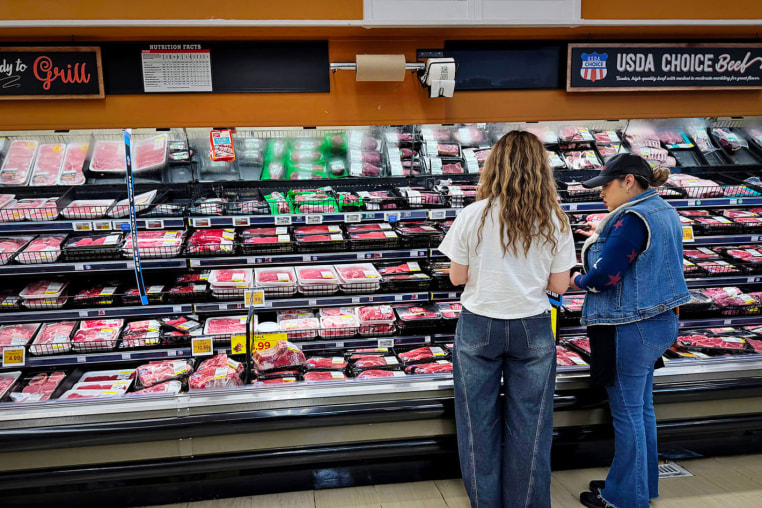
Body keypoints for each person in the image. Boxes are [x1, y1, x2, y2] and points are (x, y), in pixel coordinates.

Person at [438, 130, 576, 508]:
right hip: (532, 326)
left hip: (479, 324)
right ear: (541, 169)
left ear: (493, 167)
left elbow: (457, 278)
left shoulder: (472, 214)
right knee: (530, 426)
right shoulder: (555, 219)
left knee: (476, 425)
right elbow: (560, 285)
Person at [569, 153, 690, 508]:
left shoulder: (632, 218)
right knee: (642, 409)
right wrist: (604, 237)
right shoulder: (661, 209)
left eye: (605, 186)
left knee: (627, 413)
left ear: (628, 182)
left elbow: (606, 277)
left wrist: (576, 280)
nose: (600, 194)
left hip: (630, 325)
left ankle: (624, 499)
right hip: (660, 321)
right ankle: (639, 483)